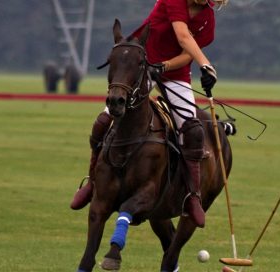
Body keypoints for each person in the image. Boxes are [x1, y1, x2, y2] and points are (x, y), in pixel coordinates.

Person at [70, 0, 226, 229]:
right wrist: (206, 64)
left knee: (193, 131)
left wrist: (166, 65)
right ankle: (92, 183)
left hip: (174, 72)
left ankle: (192, 195)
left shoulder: (207, 20)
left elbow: (186, 54)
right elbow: (182, 35)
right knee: (103, 122)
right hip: (141, 65)